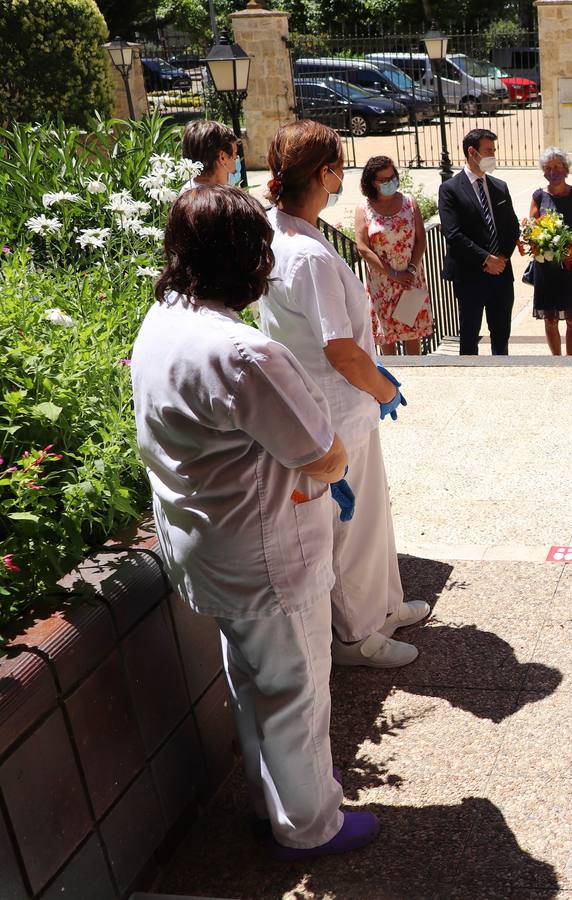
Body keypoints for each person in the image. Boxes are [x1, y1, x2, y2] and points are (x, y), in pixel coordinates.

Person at [131, 185, 378, 859]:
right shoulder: (245, 353)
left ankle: (275, 803)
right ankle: (309, 826)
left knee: (252, 681)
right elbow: (321, 452)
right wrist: (333, 467)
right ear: (247, 262)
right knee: (295, 691)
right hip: (266, 548)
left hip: (204, 542)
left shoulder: (164, 319)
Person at [256, 120, 427, 669]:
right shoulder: (306, 255)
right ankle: (358, 637)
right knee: (351, 530)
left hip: (336, 408)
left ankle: (386, 605)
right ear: (325, 174)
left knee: (372, 517)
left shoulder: (282, 233)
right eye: (338, 164)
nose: (343, 173)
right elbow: (340, 349)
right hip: (337, 407)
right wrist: (383, 387)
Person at [438, 128, 521, 355]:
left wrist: (502, 257)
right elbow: (453, 233)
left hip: (501, 274)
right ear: (472, 152)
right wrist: (485, 260)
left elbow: (512, 227)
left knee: (501, 335)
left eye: (494, 150)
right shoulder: (450, 189)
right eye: (488, 150)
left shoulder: (499, 186)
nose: (492, 155)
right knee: (469, 336)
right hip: (470, 275)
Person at [354, 156, 431, 357]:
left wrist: (410, 270)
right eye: (384, 180)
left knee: (412, 337)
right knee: (386, 340)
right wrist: (392, 273)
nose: (390, 182)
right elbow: (362, 247)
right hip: (382, 284)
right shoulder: (364, 208)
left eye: (392, 177)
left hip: (409, 281)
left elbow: (421, 239)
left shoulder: (409, 202)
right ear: (372, 182)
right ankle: (391, 388)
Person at [529, 147, 572, 356]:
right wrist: (540, 243)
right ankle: (556, 359)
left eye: (557, 166)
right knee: (549, 319)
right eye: (548, 167)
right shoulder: (539, 196)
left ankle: (570, 358)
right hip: (547, 268)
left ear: (565, 168)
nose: (553, 171)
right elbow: (530, 232)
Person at [178, 119, 241, 193]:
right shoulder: (225, 200)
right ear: (222, 157)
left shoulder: (185, 194)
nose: (236, 158)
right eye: (235, 153)